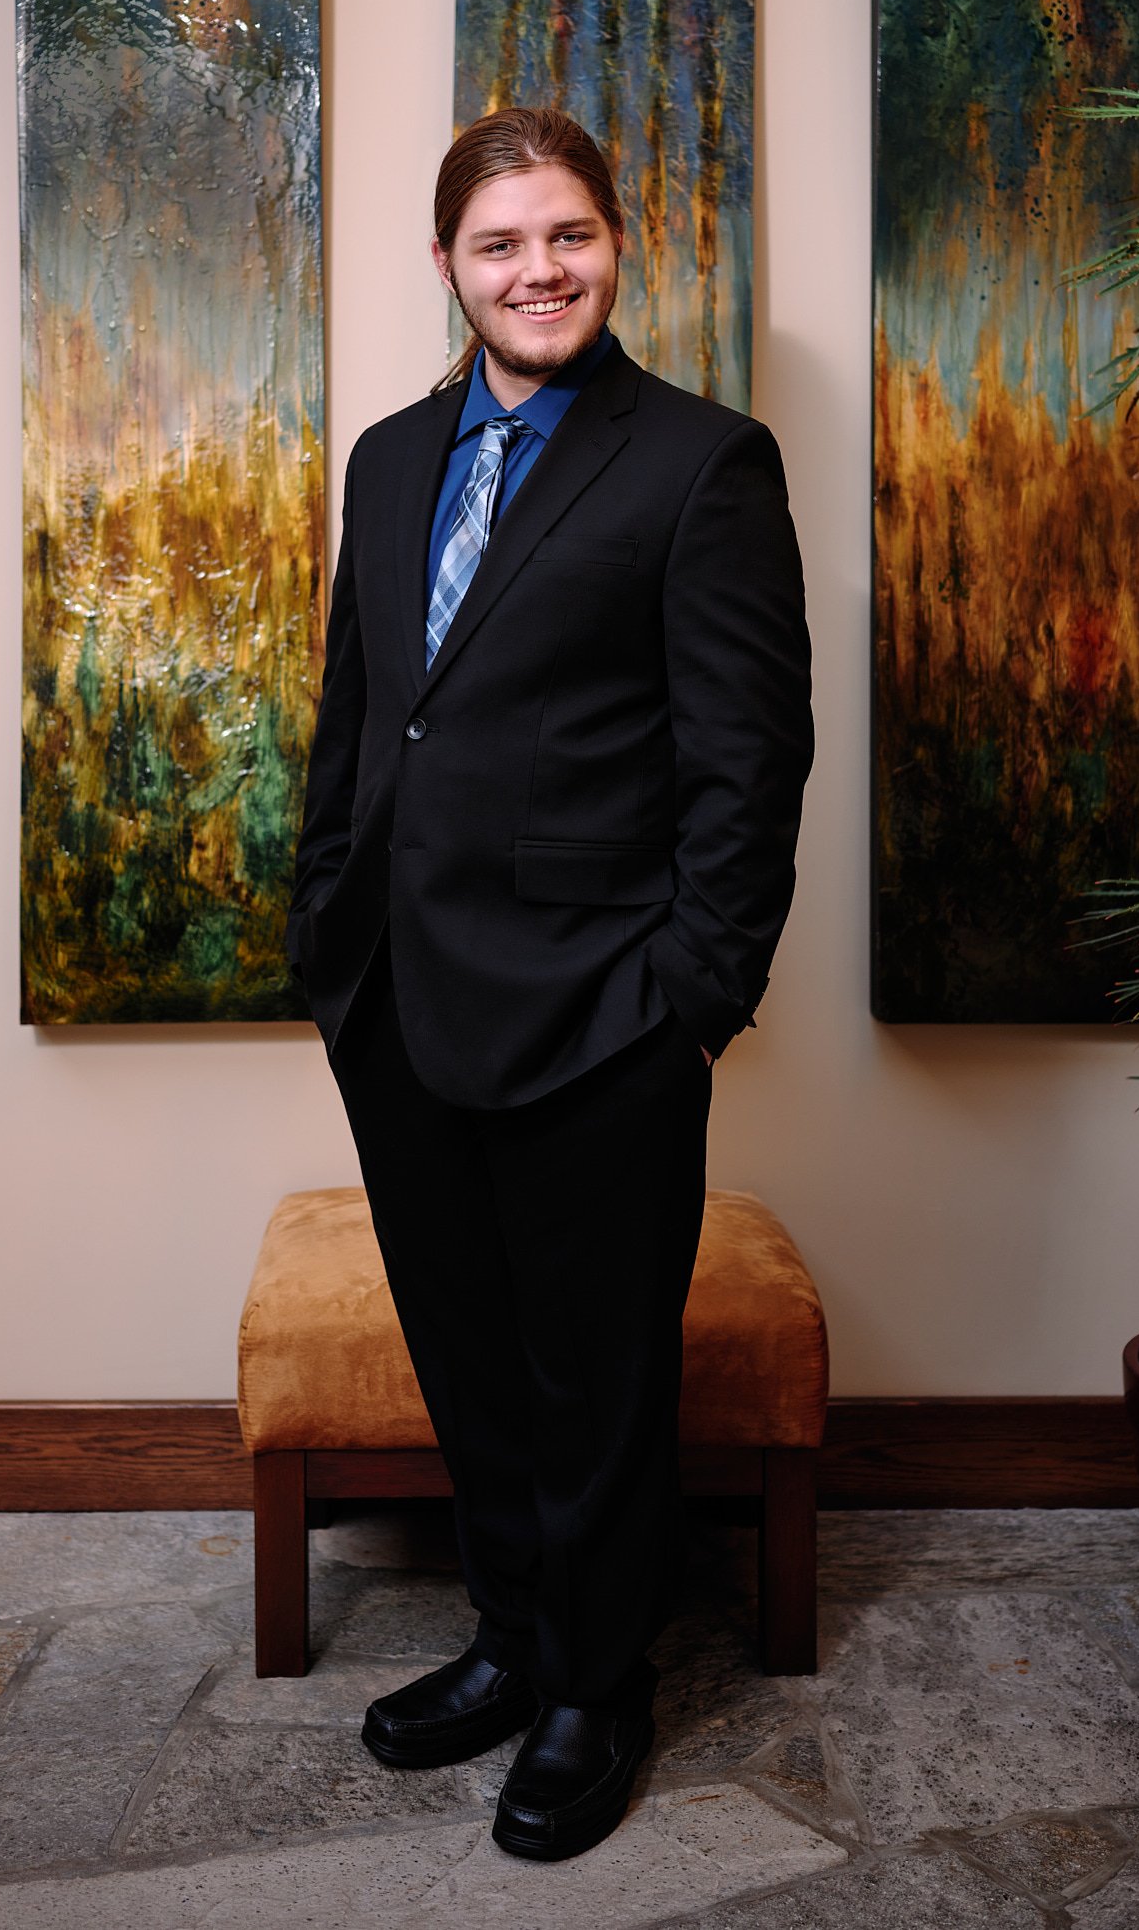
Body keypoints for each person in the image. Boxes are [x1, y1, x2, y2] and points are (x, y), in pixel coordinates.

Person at [285, 106, 812, 1861]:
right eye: (502, 243)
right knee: (473, 1361)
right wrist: (326, 939)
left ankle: (601, 1681)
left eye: (567, 234)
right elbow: (365, 713)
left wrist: (692, 1000)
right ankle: (511, 1640)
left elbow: (754, 760)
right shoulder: (384, 456)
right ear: (448, 264)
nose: (539, 269)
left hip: (604, 1014)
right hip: (402, 1002)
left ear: (616, 245)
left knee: (597, 1376)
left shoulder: (699, 460)